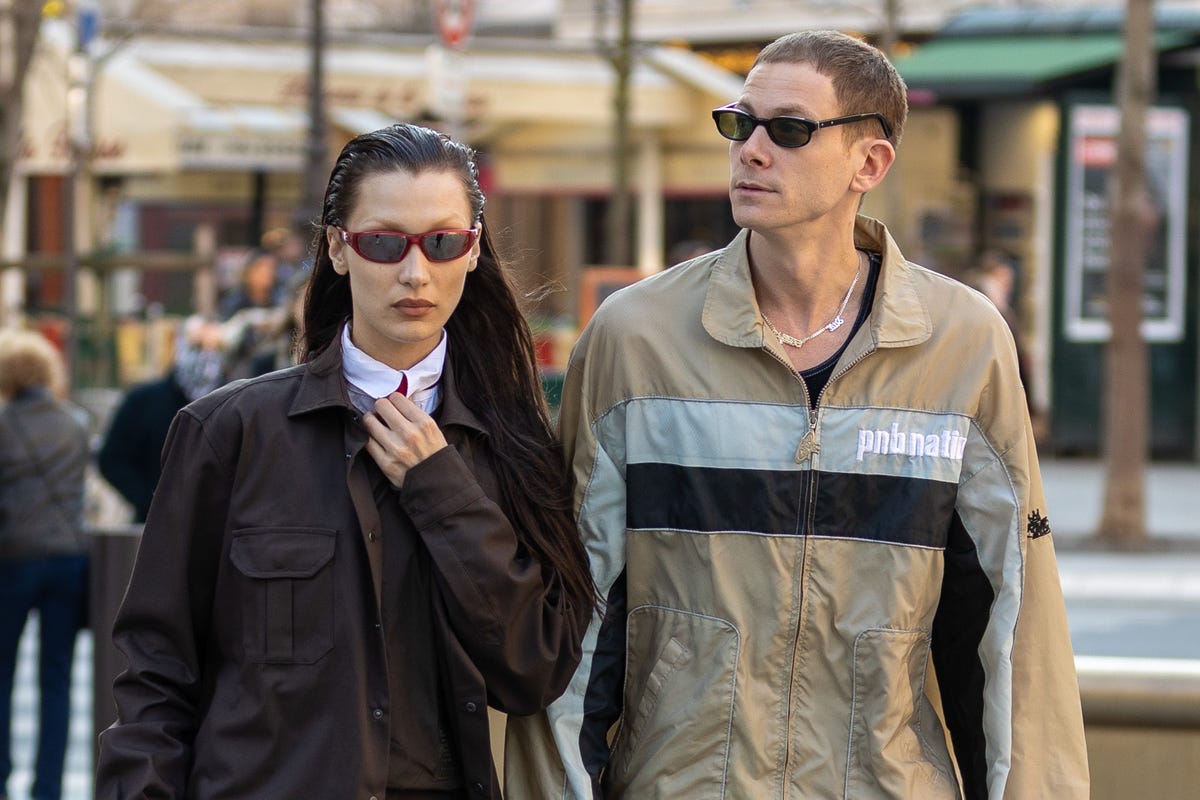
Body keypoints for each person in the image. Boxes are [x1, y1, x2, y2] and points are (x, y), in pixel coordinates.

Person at [505, 30, 1089, 799]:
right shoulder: (634, 337)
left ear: (868, 164)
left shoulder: (965, 344)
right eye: (738, 123)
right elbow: (574, 628)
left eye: (788, 130)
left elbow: (1013, 631)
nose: (750, 150)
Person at [94, 122, 595, 800]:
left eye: (444, 242)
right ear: (338, 247)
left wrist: (441, 490)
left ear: (473, 251)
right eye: (385, 243)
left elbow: (533, 667)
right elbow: (155, 673)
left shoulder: (518, 444)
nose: (416, 272)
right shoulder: (228, 433)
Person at [0, 328, 90, 800]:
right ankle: (48, 787)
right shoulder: (74, 422)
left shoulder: (3, 424)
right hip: (69, 560)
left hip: (13, 560)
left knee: (3, 673)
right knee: (56, 677)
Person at [97, 315, 228, 523]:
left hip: (218, 529)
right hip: (156, 526)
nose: (205, 355)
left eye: (215, 347)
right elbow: (112, 459)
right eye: (196, 345)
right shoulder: (144, 400)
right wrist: (151, 502)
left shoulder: (234, 402)